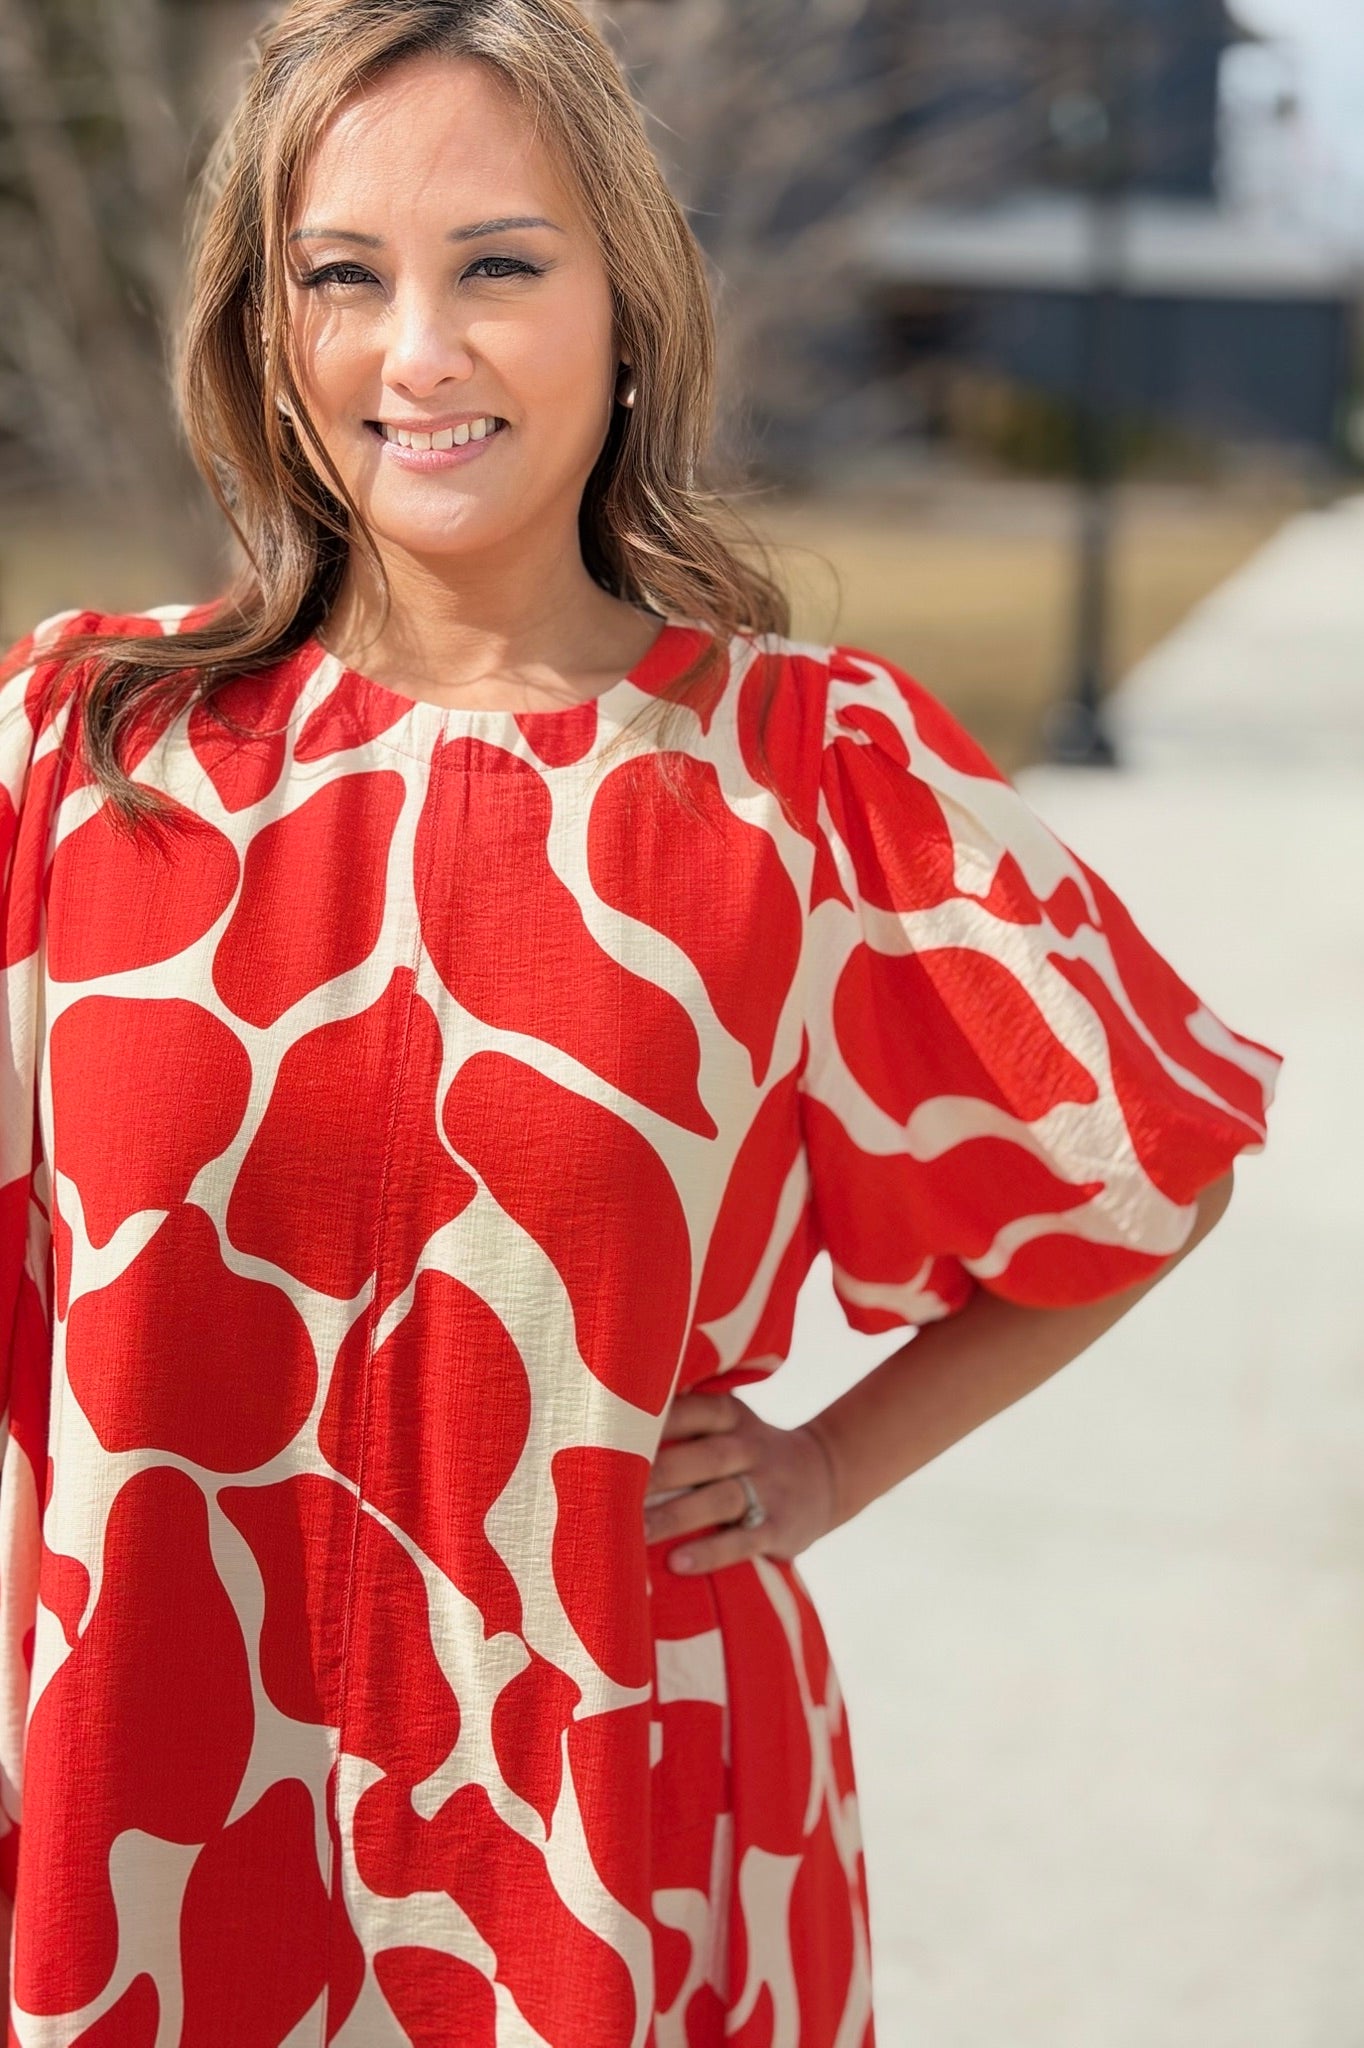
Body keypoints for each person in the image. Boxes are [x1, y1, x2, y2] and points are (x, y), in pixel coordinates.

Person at [0, 0, 1280, 2040]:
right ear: (263, 324)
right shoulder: (84, 754)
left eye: (498, 265)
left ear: (628, 306)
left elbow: (1152, 1156)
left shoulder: (797, 773)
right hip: (155, 1813)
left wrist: (831, 1464)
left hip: (621, 1840)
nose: (415, 352)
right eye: (343, 276)